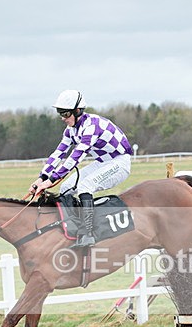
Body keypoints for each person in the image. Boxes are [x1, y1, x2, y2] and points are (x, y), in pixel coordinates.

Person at [28, 89, 134, 247]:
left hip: (119, 162)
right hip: (103, 162)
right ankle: (72, 228)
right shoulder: (70, 130)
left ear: (77, 111)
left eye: (65, 114)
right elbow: (58, 153)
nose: (62, 118)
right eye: (60, 113)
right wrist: (41, 178)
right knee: (66, 187)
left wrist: (51, 180)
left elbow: (75, 157)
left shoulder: (92, 126)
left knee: (85, 186)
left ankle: (88, 233)